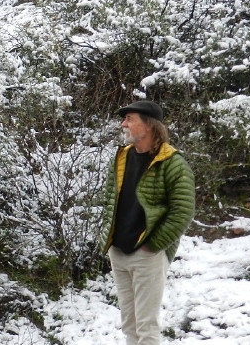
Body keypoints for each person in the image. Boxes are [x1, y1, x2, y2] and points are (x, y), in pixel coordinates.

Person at [99, 100, 195, 345]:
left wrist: (152, 246)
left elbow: (182, 212)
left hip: (147, 255)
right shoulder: (121, 157)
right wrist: (109, 240)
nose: (123, 124)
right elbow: (110, 200)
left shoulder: (172, 162)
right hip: (118, 251)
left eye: (129, 119)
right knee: (129, 325)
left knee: (146, 327)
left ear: (149, 125)